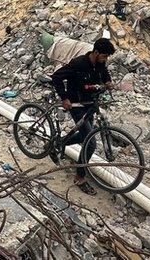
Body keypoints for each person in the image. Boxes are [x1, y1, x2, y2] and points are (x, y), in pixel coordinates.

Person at [50, 37, 116, 195]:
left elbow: (104, 73)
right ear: (96, 52)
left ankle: (58, 143)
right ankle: (80, 177)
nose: (105, 59)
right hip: (76, 105)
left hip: (90, 104)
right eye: (104, 56)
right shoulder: (78, 63)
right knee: (91, 143)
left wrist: (108, 82)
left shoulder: (100, 63)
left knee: (82, 136)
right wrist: (64, 98)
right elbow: (56, 77)